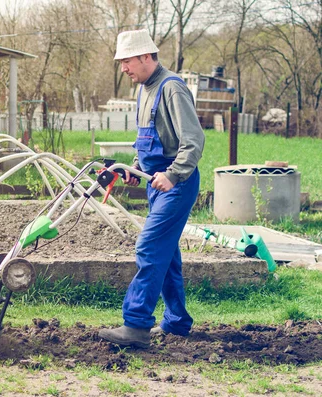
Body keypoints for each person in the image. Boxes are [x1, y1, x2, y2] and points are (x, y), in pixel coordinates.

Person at [98, 29, 205, 348]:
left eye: (127, 61)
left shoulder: (172, 87)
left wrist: (173, 175)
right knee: (166, 254)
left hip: (177, 183)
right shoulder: (144, 90)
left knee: (148, 247)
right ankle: (176, 321)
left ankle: (136, 325)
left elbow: (193, 141)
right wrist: (137, 168)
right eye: (121, 63)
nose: (123, 69)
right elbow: (150, 139)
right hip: (157, 183)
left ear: (146, 56)